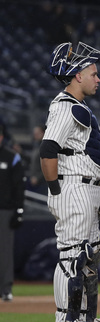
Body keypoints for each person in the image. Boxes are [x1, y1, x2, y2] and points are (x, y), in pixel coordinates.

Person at [41, 41, 100, 322]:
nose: (98, 79)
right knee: (72, 256)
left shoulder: (79, 107)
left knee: (90, 254)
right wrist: (56, 191)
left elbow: (85, 154)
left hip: (87, 188)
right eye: (93, 73)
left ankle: (86, 319)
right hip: (72, 188)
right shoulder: (65, 106)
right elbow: (48, 149)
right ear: (77, 76)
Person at [0, 125, 25, 302]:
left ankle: (5, 288)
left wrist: (19, 210)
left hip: (5, 210)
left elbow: (19, 186)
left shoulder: (11, 157)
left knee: (5, 251)